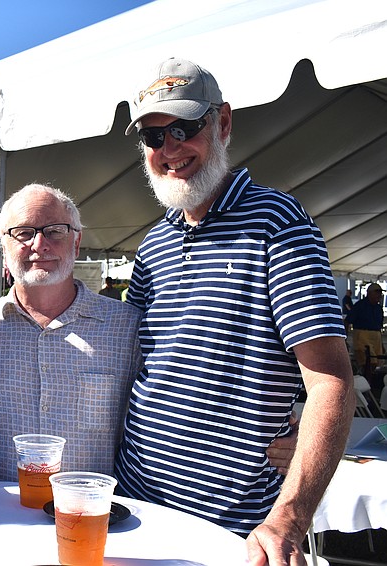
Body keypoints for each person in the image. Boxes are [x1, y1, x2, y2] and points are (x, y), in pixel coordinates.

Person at [118, 58, 355, 563]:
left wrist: (289, 518)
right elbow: (132, 362)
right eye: (154, 137)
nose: (170, 149)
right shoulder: (153, 243)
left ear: (223, 123)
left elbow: (331, 382)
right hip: (135, 512)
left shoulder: (278, 222)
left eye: (184, 128)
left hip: (231, 532)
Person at [0, 183, 144, 479]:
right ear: (3, 246)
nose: (39, 244)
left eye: (55, 231)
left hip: (90, 506)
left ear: (76, 241)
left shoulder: (127, 328)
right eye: (23, 233)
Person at [346, 283, 384, 374]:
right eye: (376, 292)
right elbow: (347, 321)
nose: (379, 295)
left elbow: (379, 326)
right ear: (369, 293)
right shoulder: (360, 306)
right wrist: (345, 338)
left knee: (378, 363)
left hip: (376, 336)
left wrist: (382, 344)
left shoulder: (379, 308)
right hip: (362, 335)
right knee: (368, 362)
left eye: (380, 293)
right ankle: (366, 378)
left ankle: (373, 380)